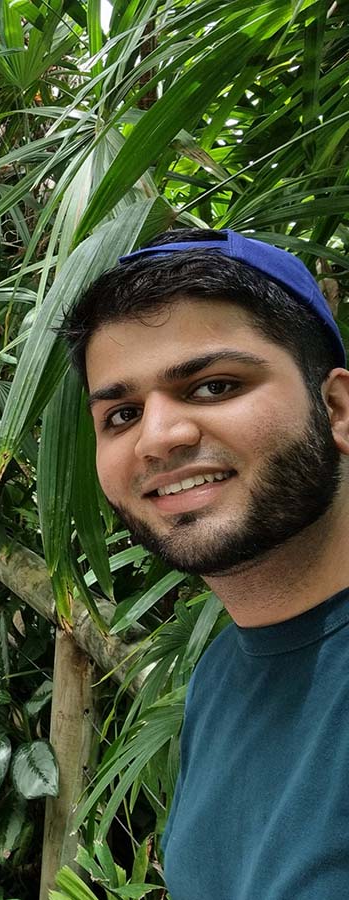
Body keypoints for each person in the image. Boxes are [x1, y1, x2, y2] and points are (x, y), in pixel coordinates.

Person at [59, 228, 349, 900]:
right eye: (122, 413)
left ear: (336, 408)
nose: (158, 438)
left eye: (215, 385)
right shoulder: (217, 678)